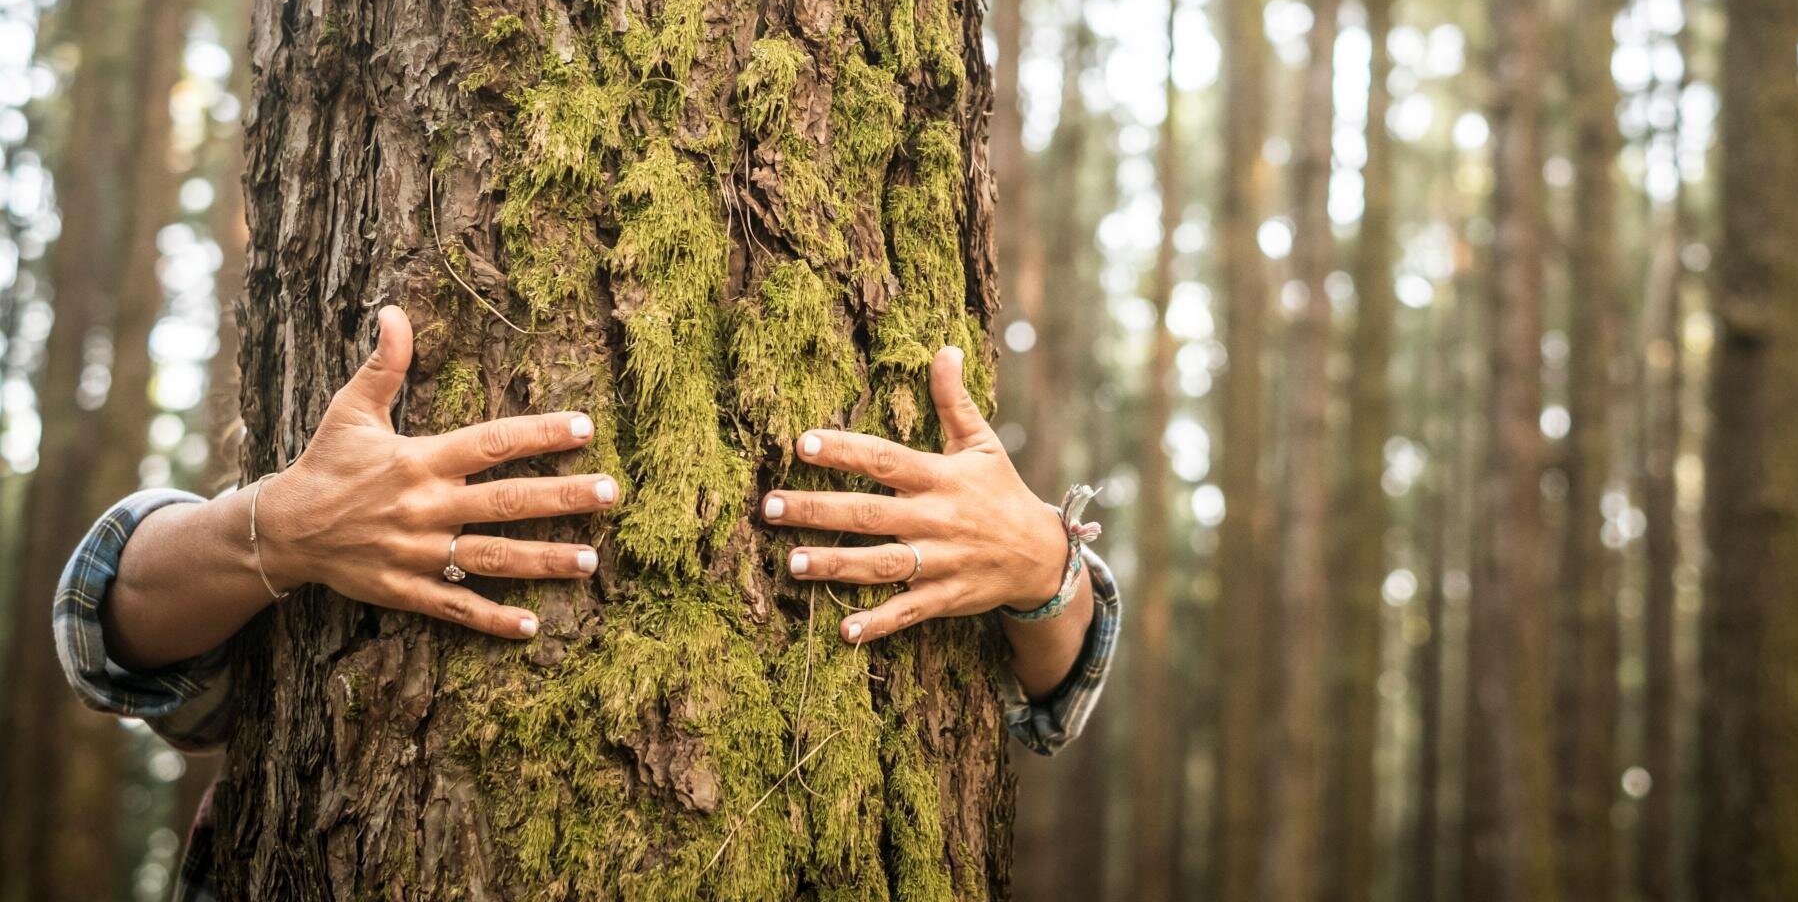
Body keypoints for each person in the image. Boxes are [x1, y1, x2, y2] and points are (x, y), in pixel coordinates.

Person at [55, 305, 1119, 897]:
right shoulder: (317, 537)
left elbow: (1049, 693)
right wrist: (276, 527)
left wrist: (1045, 561)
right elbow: (104, 628)